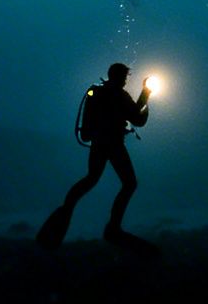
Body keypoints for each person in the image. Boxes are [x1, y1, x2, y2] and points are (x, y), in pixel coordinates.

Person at [38, 62, 152, 250]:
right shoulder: (119, 95)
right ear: (119, 77)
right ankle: (113, 227)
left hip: (98, 144)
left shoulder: (95, 92)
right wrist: (146, 93)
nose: (125, 81)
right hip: (113, 144)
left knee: (91, 178)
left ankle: (66, 210)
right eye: (124, 77)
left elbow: (92, 118)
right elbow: (136, 117)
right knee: (129, 183)